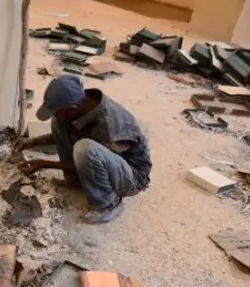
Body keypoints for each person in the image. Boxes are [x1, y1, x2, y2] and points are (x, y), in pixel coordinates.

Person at [13, 75, 151, 223]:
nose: (54, 114)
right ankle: (76, 180)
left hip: (132, 176)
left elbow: (90, 159)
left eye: (56, 110)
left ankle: (109, 203)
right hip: (106, 160)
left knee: (84, 149)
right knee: (59, 122)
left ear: (73, 109)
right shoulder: (82, 104)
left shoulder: (107, 126)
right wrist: (33, 141)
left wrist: (43, 164)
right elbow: (66, 132)